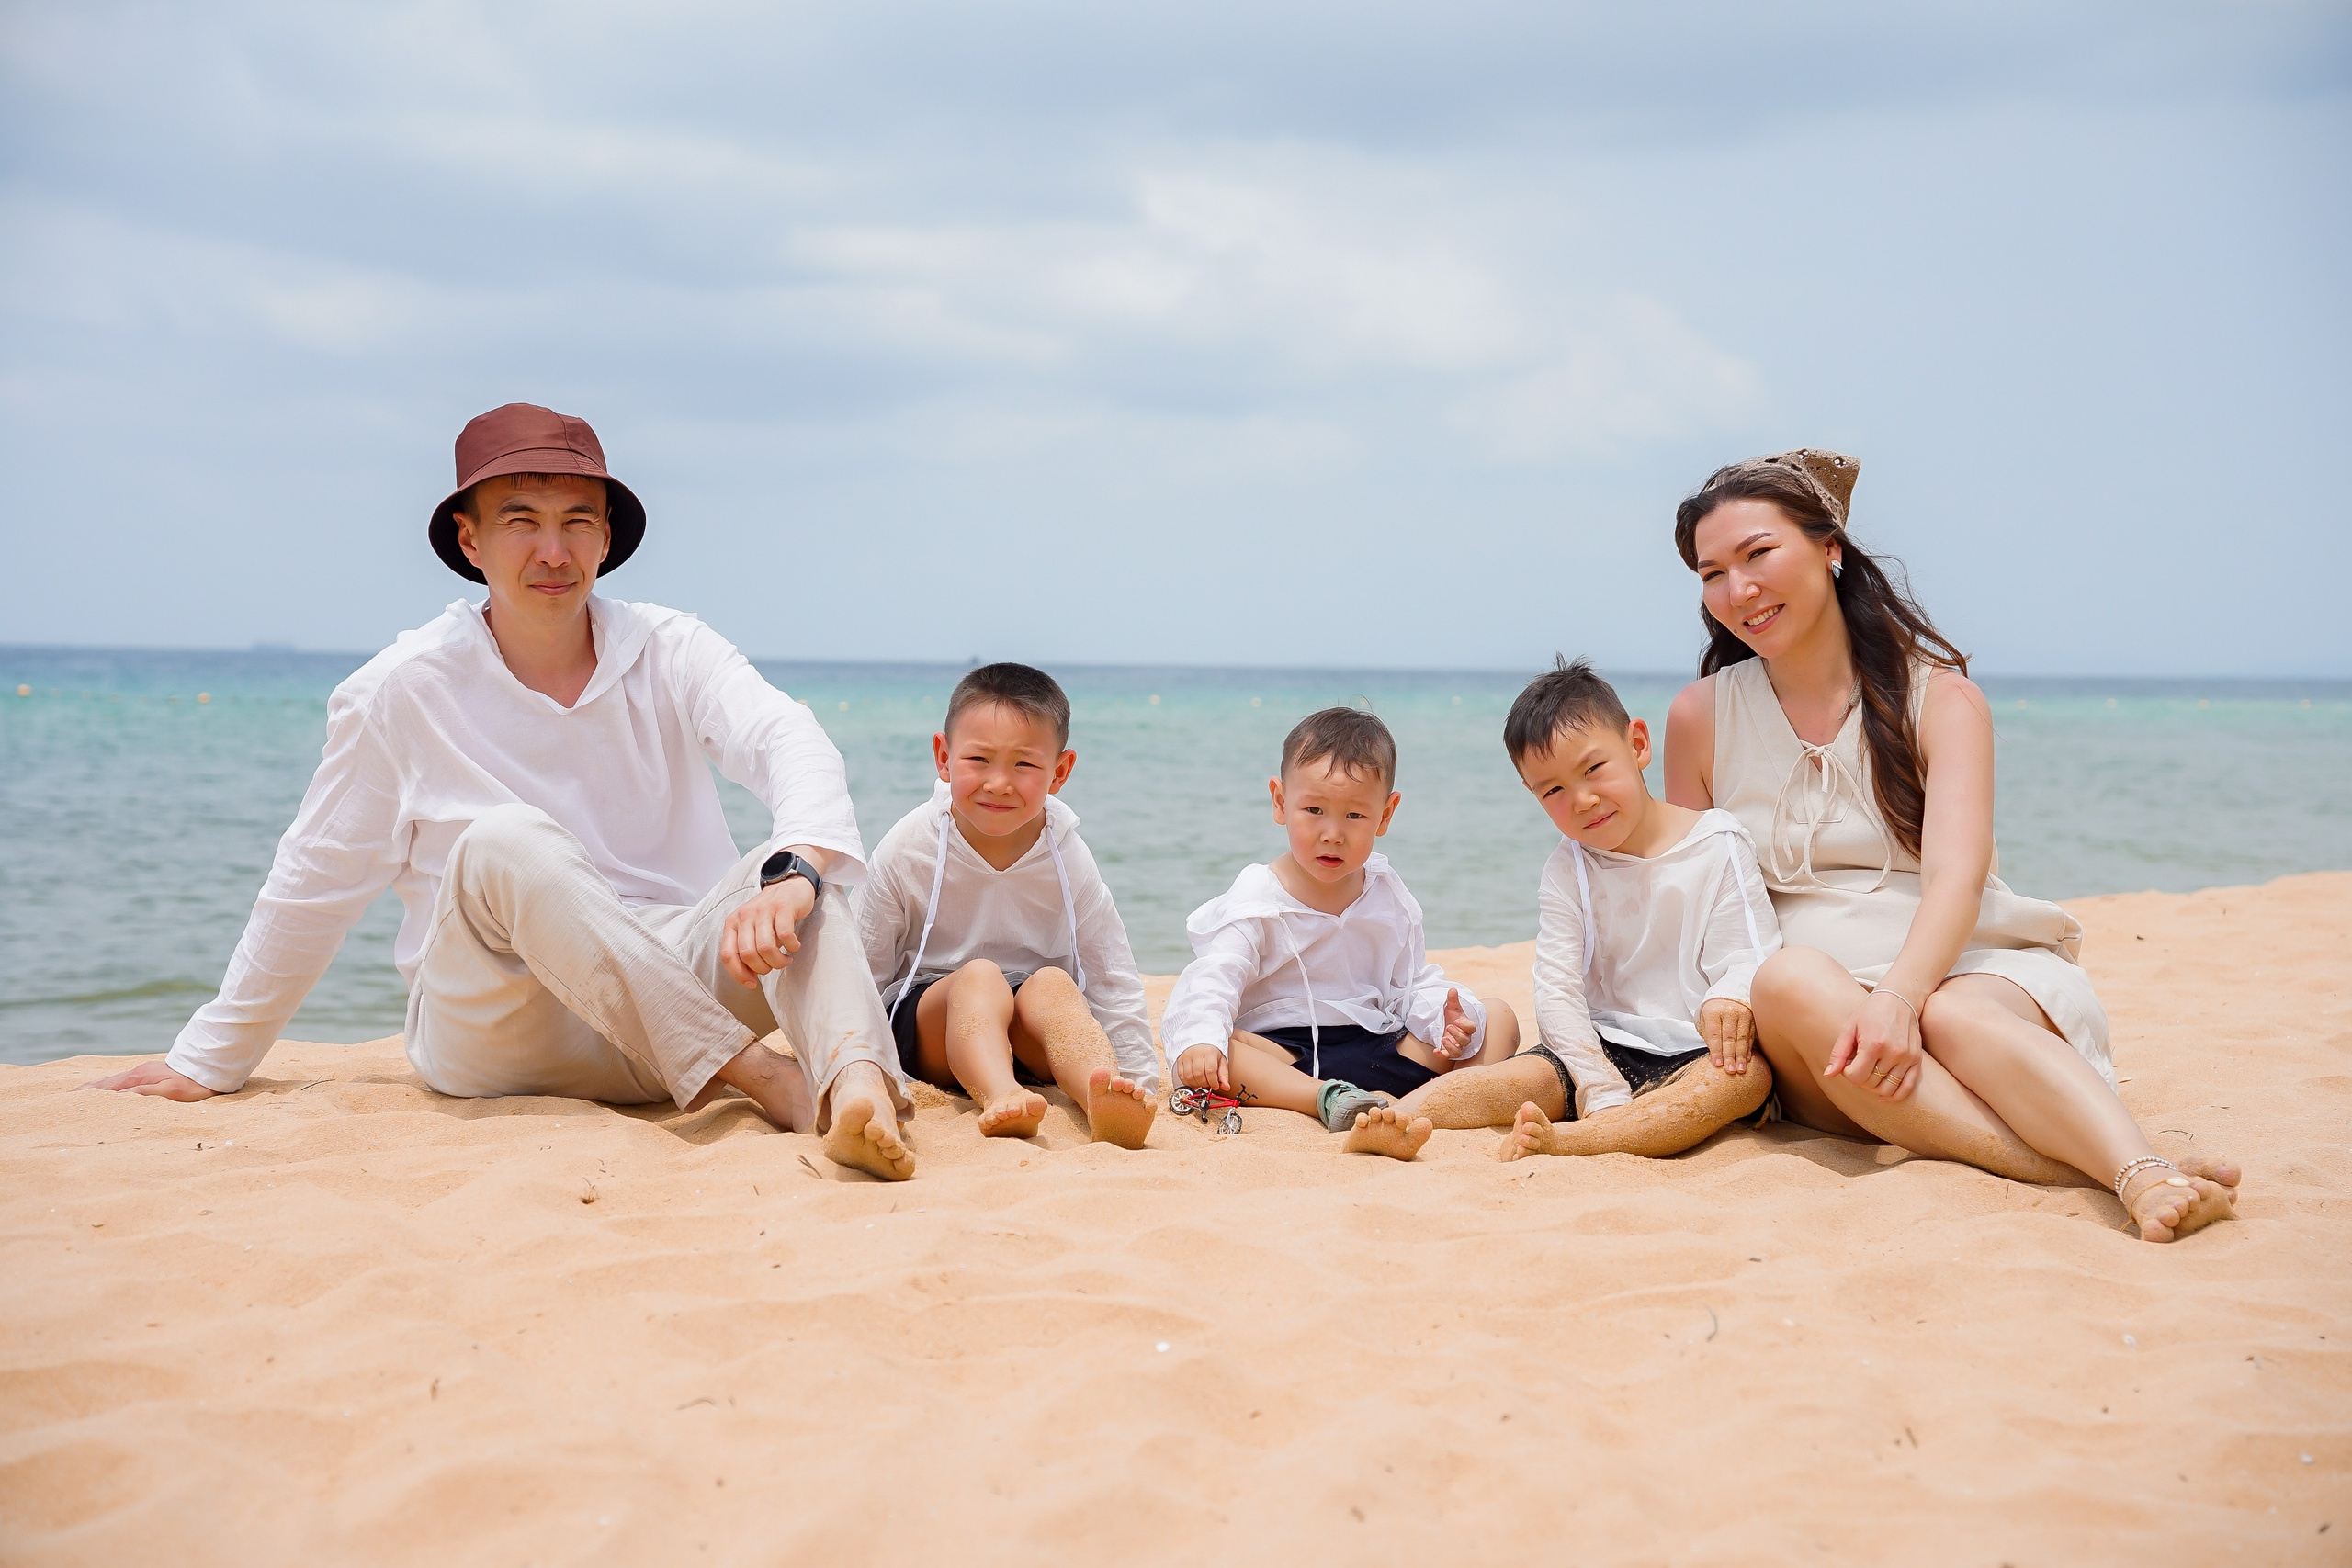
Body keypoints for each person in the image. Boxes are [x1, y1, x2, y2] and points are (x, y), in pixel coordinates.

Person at [85, 403, 917, 1181]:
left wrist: (797, 866)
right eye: (521, 521)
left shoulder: (669, 648)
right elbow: (315, 881)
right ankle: (764, 1077)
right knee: (506, 840)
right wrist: (211, 1056)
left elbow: (789, 739)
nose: (552, 553)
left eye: (575, 524)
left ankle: (856, 1091)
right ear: (471, 539)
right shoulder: (402, 689)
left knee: (804, 875)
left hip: (666, 1011)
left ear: (604, 542)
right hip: (501, 1028)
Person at [1654, 448, 2236, 1241]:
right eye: (1712, 573)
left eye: (1759, 554)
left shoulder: (1940, 697)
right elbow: (1690, 897)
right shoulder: (1700, 717)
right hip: (1821, 1027)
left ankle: (2133, 1171)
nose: (1738, 590)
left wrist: (1901, 997)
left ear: (1830, 548)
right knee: (1788, 978)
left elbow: (1959, 880)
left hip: (1970, 963)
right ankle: (2110, 1166)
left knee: (1957, 1013)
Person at [1362, 658, 1782, 1160]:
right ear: (1532, 794)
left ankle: (1572, 1141)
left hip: (1694, 1048)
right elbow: (1557, 989)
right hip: (1598, 1047)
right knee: (1515, 1078)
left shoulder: (1718, 842)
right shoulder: (1569, 867)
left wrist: (1732, 996)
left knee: (1745, 1080)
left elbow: (1754, 953)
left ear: (1638, 744)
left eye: (1593, 769)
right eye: (1554, 789)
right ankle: (1400, 1115)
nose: (1582, 799)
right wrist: (1597, 1082)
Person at [1159, 707, 1522, 1160]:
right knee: (1219, 1049)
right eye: (1313, 810)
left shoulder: (1387, 894)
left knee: (1498, 1016)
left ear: (1386, 814)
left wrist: (1447, 1021)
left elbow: (1407, 987)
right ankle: (1331, 1101)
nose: (1332, 833)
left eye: (1354, 815)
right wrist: (1201, 1039)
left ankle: (1421, 1106)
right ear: (1279, 802)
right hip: (1290, 1060)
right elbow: (1216, 976)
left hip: (1377, 1044)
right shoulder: (1258, 896)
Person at [858, 662, 1158, 1148]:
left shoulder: (1069, 856)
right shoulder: (909, 848)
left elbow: (1111, 973)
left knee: (1056, 985)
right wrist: (858, 1070)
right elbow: (863, 968)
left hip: (1029, 1038)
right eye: (978, 759)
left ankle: (1099, 1094)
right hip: (936, 1027)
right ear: (943, 756)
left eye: (1024, 764)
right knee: (980, 976)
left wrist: (1140, 1076)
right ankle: (1000, 1094)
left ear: (1059, 772)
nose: (999, 783)